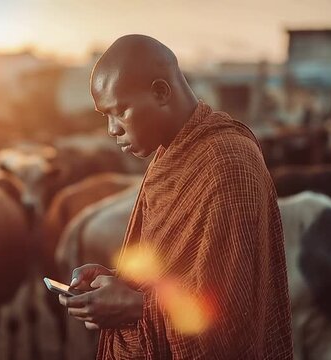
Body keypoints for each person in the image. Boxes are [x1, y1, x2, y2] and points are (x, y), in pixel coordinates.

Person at [59, 34, 293, 359]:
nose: (112, 129)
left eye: (120, 111)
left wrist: (134, 308)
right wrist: (114, 283)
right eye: (105, 116)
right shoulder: (169, 155)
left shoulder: (226, 161)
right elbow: (175, 272)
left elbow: (230, 312)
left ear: (160, 92)